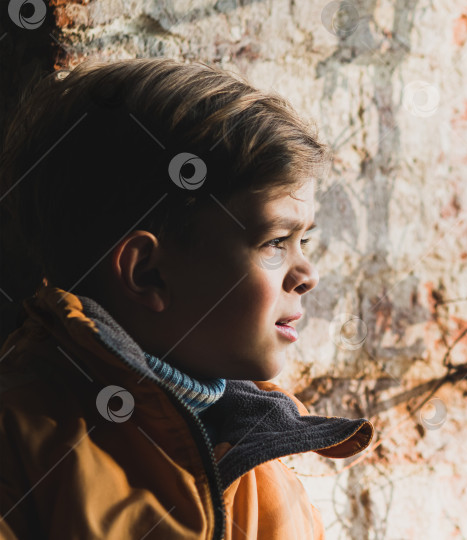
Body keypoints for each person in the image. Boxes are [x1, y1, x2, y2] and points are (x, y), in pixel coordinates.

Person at [0, 58, 373, 539]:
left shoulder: (262, 459)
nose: (308, 275)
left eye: (307, 242)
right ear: (148, 274)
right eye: (275, 243)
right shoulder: (22, 444)